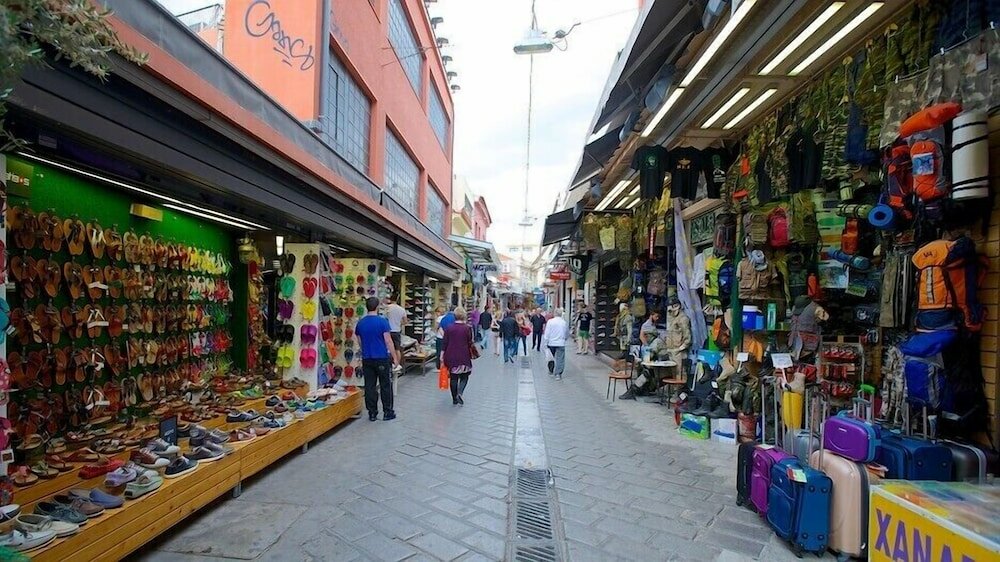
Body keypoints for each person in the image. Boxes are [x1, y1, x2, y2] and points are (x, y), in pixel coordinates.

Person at [355, 297, 400, 421]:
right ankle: (387, 412)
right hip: (381, 357)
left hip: (367, 358)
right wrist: (395, 357)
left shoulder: (360, 323)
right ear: (377, 307)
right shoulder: (382, 322)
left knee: (370, 385)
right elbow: (388, 340)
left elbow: (359, 341)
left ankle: (372, 412)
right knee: (385, 384)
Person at [442, 307, 475, 405]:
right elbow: (470, 342)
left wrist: (441, 355)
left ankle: (454, 399)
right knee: (465, 376)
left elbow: (445, 343)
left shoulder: (449, 328)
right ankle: (460, 392)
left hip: (450, 355)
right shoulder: (467, 328)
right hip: (464, 355)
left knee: (453, 377)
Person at [542, 308, 569, 380]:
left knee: (551, 357)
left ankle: (551, 370)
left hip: (551, 342)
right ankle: (558, 373)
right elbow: (566, 333)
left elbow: (547, 333)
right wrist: (565, 339)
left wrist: (545, 342)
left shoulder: (550, 322)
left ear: (554, 313)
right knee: (560, 358)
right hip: (561, 343)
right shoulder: (564, 322)